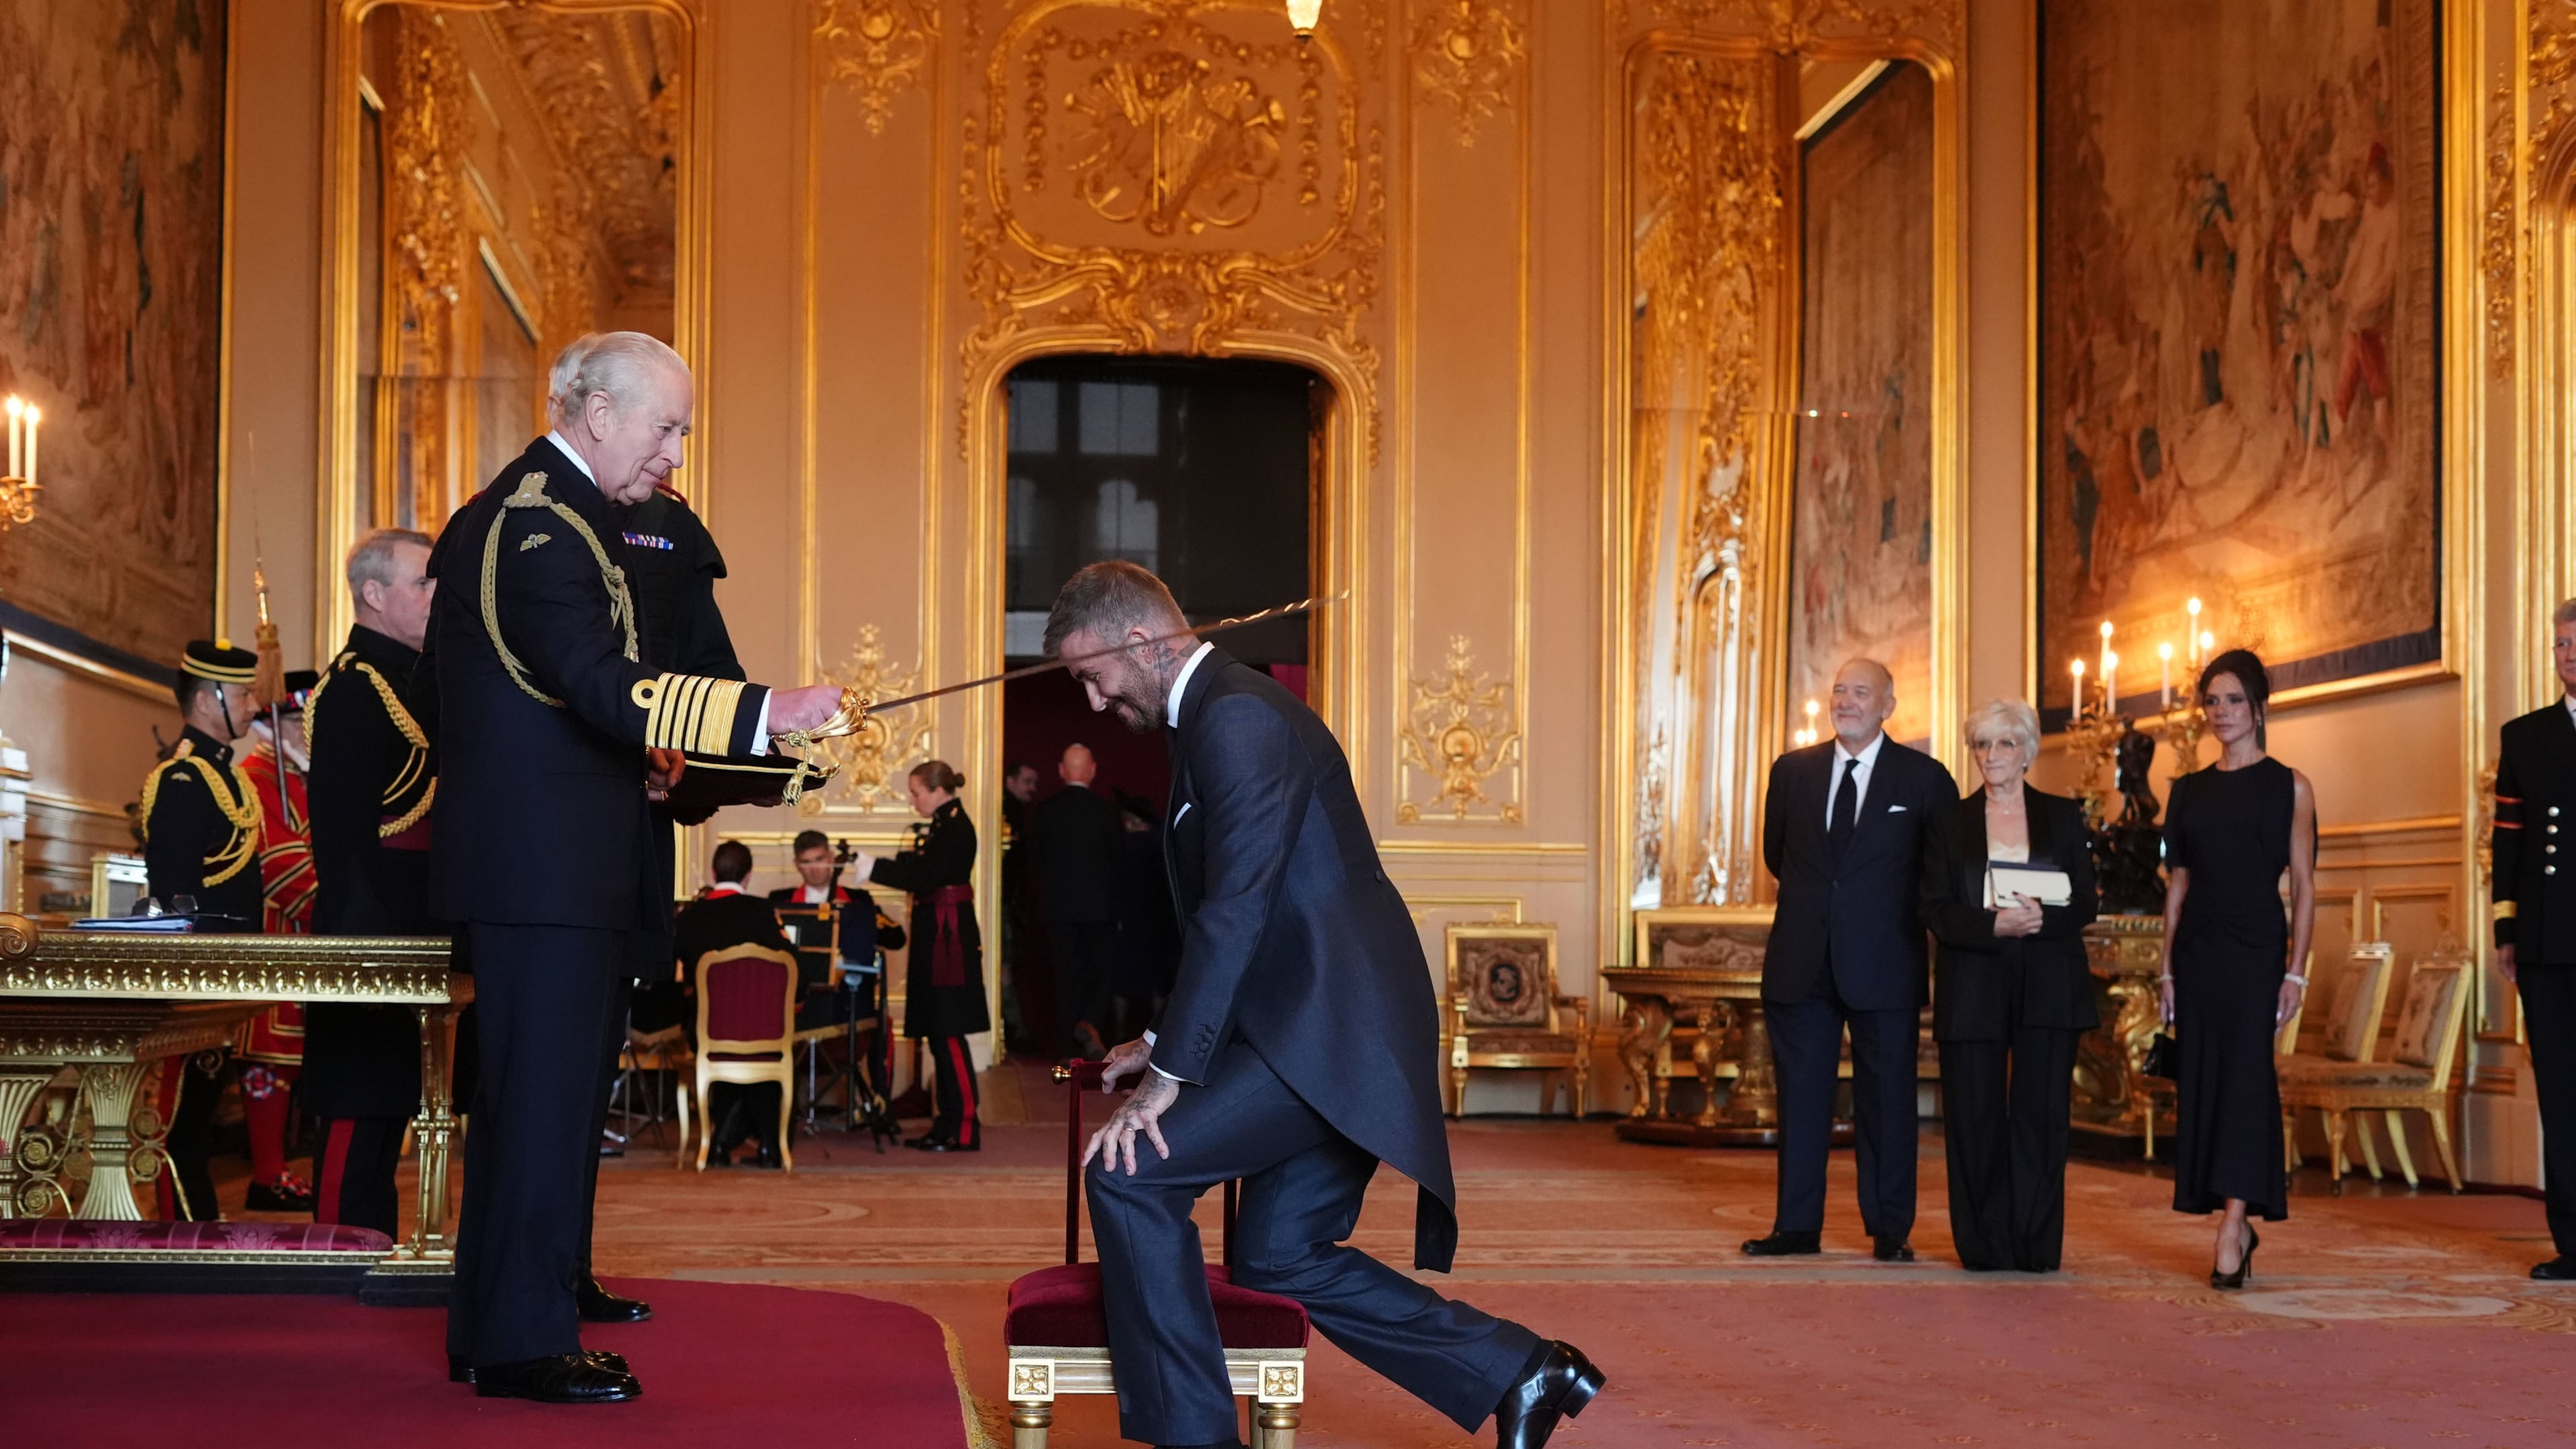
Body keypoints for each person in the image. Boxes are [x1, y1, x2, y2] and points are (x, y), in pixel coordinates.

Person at [1049, 561, 1601, 1449]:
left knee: (1128, 1175)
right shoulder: (1213, 720)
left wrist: (1168, 1078)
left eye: (1091, 674)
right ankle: (1521, 1370)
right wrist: (1158, 1037)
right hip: (1318, 1024)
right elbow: (1241, 918)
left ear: (1141, 643)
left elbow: (1238, 914)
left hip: (1328, 1036)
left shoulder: (1236, 719)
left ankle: (1195, 1438)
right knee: (1277, 1253)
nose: (1092, 701)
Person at [423, 329, 842, 1401]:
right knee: (539, 1108)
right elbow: (602, 682)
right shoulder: (536, 526)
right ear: (597, 414)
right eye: (667, 428)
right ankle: (521, 1344)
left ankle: (502, 1325)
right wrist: (768, 711)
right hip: (545, 877)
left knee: (547, 1109)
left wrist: (761, 758)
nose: (675, 454)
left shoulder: (566, 520)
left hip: (563, 871)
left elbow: (601, 699)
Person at [1748, 657, 1957, 1263]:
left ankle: (1890, 1230)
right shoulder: (1793, 773)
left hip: (1886, 963)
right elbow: (1778, 856)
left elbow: (1935, 871)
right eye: (1840, 691)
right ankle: (1796, 1227)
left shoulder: (1925, 779)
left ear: (1888, 705)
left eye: (1861, 692)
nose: (1847, 701)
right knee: (1801, 1100)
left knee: (1888, 1103)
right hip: (1802, 961)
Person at [1920, 698, 2099, 1273]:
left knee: (2042, 1117)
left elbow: (2086, 901)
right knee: (1973, 1117)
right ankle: (1983, 1245)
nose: (1991, 756)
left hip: (2049, 980)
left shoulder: (2063, 817)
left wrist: (2044, 919)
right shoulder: (1948, 822)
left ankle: (2034, 1245)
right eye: (1981, 744)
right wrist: (1993, 924)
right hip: (1973, 979)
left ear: (2026, 752)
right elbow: (1934, 908)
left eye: (2004, 744)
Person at [2159, 648, 2317, 1289]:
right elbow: (2177, 887)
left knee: (2248, 1081)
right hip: (2198, 955)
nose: (2220, 712)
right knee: (2206, 1082)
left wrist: (2297, 971)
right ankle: (2232, 1219)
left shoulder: (2291, 786)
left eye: (2231, 700)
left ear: (2257, 707)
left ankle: (2234, 1222)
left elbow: (2305, 885)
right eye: (2212, 701)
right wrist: (2166, 970)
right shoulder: (2187, 791)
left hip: (2257, 954)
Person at [305, 528, 439, 1239]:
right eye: (423, 582)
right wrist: (360, 955)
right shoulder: (356, 686)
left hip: (419, 926)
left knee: (394, 1110)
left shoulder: (418, 681)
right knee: (361, 1110)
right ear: (375, 595)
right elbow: (343, 833)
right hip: (373, 934)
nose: (435, 595)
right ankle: (335, 1260)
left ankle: (375, 1252)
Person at [142, 639, 266, 1221]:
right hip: (194, 987)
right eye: (242, 694)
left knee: (201, 1119)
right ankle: (180, 1233)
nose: (253, 705)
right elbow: (173, 896)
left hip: (225, 982)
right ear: (206, 698)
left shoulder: (227, 779)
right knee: (181, 1126)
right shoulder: (183, 781)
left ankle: (198, 1225)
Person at [2485, 598, 2576, 1281]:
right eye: (2561, 645)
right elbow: (2509, 842)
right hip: (2548, 941)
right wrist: (2507, 929)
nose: (2569, 655)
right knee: (2562, 1094)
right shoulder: (2525, 736)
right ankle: (2574, 1242)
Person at [848, 761, 990, 1152]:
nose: (913, 801)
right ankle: (946, 1123)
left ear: (938, 790)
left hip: (948, 940)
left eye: (916, 793)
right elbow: (919, 868)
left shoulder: (956, 827)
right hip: (939, 935)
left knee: (948, 1029)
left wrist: (873, 867)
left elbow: (925, 875)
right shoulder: (945, 825)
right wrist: (870, 862)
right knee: (939, 1031)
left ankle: (962, 1126)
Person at [233, 669, 320, 1213]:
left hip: (303, 939)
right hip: (273, 932)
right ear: (281, 724)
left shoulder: (300, 774)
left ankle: (278, 1168)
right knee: (269, 1053)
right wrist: (326, 906)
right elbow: (278, 858)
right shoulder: (256, 774)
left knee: (289, 1057)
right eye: (305, 724)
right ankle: (267, 1173)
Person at [674, 840, 796, 1168]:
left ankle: (719, 1143)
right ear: (749, 875)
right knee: (763, 1055)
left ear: (714, 872)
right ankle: (768, 1146)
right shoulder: (763, 911)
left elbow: (672, 973)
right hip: (765, 1032)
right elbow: (792, 965)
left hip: (707, 1031)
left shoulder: (689, 916)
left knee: (724, 1050)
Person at [768, 829, 906, 1115]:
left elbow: (897, 938)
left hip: (845, 1003)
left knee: (881, 1023)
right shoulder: (780, 900)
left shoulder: (858, 899)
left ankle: (879, 1106)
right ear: (796, 864)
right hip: (799, 1001)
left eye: (821, 859)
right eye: (807, 862)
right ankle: (779, 1112)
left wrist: (864, 920)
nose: (816, 868)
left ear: (832, 858)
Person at [1030, 742, 1122, 1057]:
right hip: (1100, 910)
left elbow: (1034, 864)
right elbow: (1118, 864)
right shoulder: (1107, 813)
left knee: (1065, 975)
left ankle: (1067, 1043)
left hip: (1057, 910)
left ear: (1061, 771)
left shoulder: (1044, 812)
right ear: (1093, 770)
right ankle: (1091, 1024)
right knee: (1100, 972)